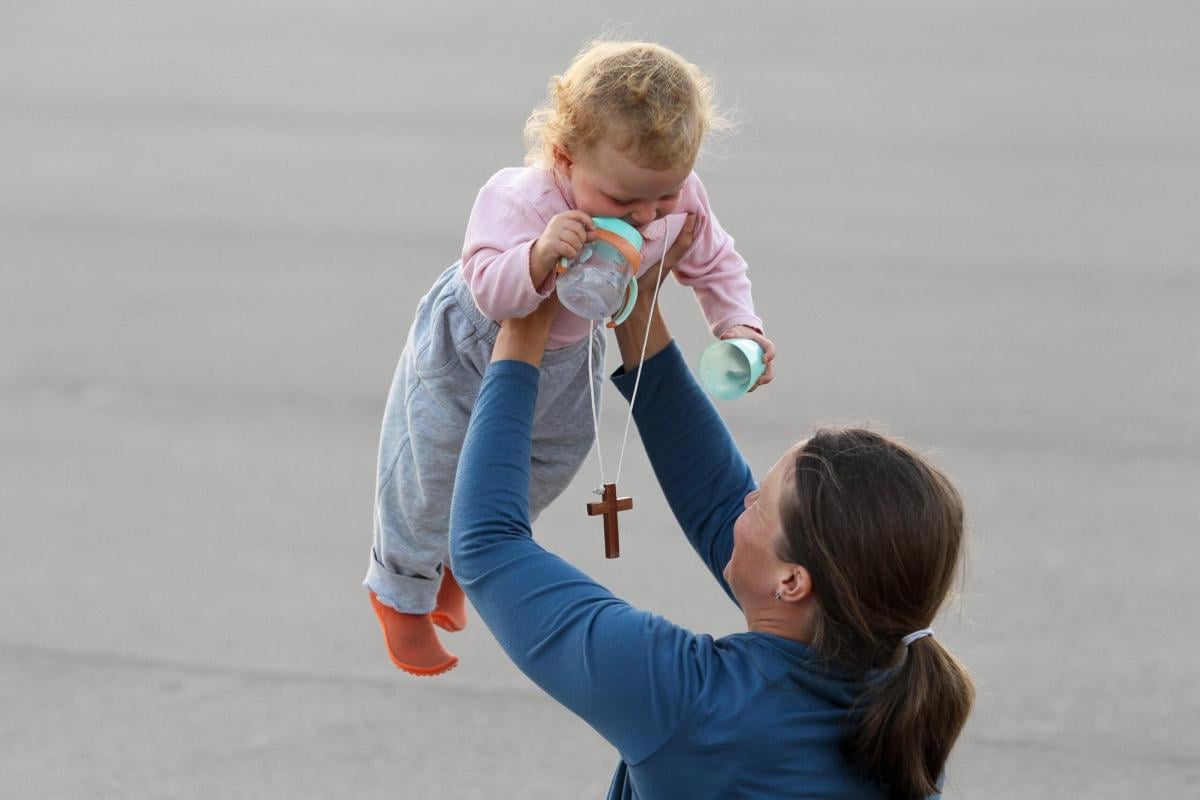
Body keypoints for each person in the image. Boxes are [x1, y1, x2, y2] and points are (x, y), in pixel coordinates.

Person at [448, 233, 975, 797]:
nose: (741, 502)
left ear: (794, 582)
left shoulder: (691, 701)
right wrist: (637, 309)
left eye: (760, 505)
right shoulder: (902, 705)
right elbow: (719, 501)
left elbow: (488, 546)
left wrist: (524, 323)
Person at [365, 39, 776, 676]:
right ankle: (399, 592)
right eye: (623, 203)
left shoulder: (674, 196)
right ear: (564, 157)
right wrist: (534, 259)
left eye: (662, 199)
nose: (645, 217)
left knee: (553, 457)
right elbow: (486, 285)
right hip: (473, 344)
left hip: (568, 354)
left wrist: (738, 326)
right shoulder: (522, 199)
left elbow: (713, 262)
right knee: (431, 466)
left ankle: (451, 560)